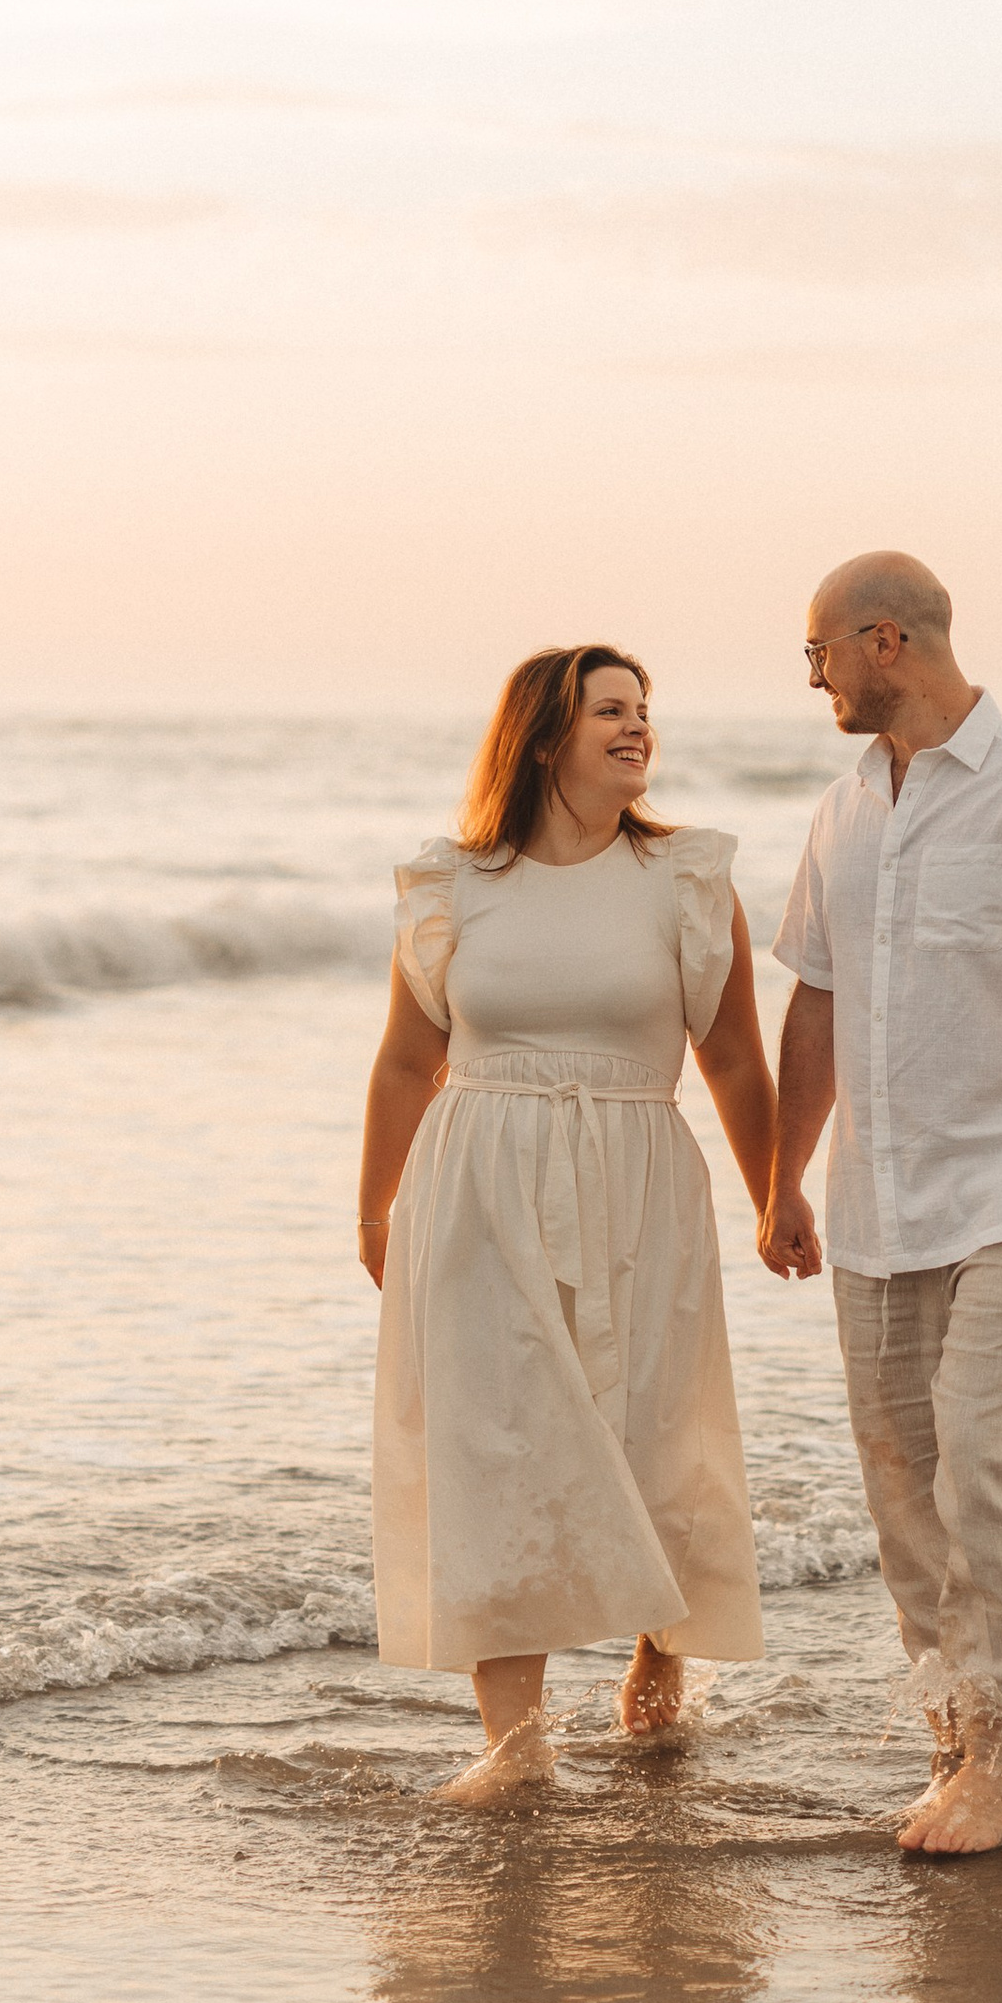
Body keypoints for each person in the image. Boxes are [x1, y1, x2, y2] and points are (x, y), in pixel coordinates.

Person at [760, 553, 1002, 1856]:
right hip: (876, 1202)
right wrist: (781, 1176)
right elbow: (815, 1001)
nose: (810, 675)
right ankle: (964, 1745)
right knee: (905, 1502)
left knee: (986, 1474)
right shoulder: (842, 812)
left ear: (886, 641)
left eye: (818, 649)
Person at [360, 644, 775, 1805]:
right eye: (610, 712)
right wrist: (373, 1204)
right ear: (545, 735)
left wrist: (774, 1196)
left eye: (643, 711)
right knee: (496, 1443)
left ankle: (662, 1642)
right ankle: (515, 1744)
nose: (638, 729)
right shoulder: (454, 883)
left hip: (638, 1177)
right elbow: (405, 1059)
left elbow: (734, 1058)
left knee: (649, 1427)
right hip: (477, 1182)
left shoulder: (685, 879)